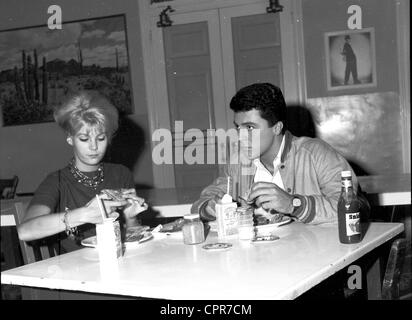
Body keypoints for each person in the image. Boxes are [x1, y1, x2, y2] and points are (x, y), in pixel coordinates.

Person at [191, 83, 368, 224]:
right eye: (238, 127)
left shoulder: (316, 154)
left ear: (277, 127)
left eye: (250, 128)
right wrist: (210, 207)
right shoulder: (239, 161)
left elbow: (355, 207)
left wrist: (293, 204)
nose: (241, 136)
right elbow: (205, 200)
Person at [18, 91, 148, 253]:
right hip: (74, 271)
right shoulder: (57, 181)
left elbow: (131, 240)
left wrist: (131, 218)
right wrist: (83, 215)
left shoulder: (121, 174)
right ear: (70, 138)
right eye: (84, 139)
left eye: (100, 138)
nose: (93, 147)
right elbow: (25, 231)